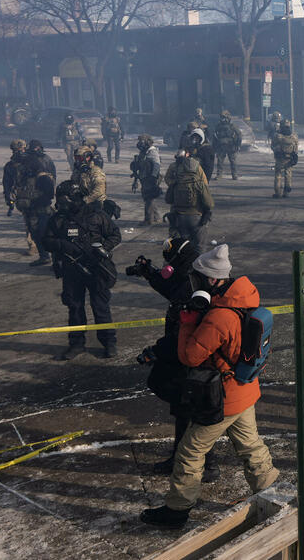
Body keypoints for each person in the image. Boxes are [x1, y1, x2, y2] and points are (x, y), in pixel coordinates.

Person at [140, 244, 280, 530]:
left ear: (213, 280)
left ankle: (177, 510)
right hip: (246, 389)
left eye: (199, 278)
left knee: (190, 451)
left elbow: (189, 356)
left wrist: (189, 322)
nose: (194, 282)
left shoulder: (220, 316)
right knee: (251, 445)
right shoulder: (243, 300)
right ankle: (271, 494)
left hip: (223, 397)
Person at [129, 237, 220, 483]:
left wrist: (156, 350)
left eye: (169, 261)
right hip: (185, 353)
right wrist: (149, 273)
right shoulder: (191, 274)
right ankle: (183, 457)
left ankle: (205, 463)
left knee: (189, 406)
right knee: (184, 406)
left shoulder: (192, 283)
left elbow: (183, 330)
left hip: (191, 356)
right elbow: (171, 289)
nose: (167, 266)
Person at [43, 180, 121, 360]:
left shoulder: (97, 215)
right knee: (74, 308)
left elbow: (115, 235)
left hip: (97, 269)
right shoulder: (58, 219)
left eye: (64, 200)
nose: (60, 204)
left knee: (100, 308)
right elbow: (46, 241)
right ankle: (76, 344)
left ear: (76, 198)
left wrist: (102, 249)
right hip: (72, 270)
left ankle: (109, 343)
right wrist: (62, 245)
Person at [13, 148, 57, 267]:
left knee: (45, 234)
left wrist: (34, 203)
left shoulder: (43, 178)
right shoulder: (23, 178)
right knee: (35, 234)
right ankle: (44, 256)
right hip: (30, 212)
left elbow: (49, 195)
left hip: (42, 212)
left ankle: (56, 259)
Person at [164, 150, 214, 252]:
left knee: (180, 246)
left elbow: (168, 199)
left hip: (179, 216)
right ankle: (197, 266)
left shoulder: (176, 180)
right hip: (197, 217)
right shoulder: (199, 182)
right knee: (200, 247)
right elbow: (209, 203)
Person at [131, 134, 164, 226]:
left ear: (148, 142)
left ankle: (148, 219)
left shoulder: (152, 152)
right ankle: (156, 217)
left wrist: (153, 178)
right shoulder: (144, 152)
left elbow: (156, 165)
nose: (139, 144)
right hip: (144, 177)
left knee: (149, 198)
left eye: (142, 141)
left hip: (150, 178)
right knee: (149, 198)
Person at [71, 145, 107, 210]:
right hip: (81, 202)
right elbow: (73, 183)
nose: (78, 161)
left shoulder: (96, 172)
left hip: (96, 204)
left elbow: (99, 191)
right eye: (76, 158)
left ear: (88, 157)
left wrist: (85, 200)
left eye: (80, 158)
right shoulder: (77, 171)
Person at [3, 139, 28, 224]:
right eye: (15, 151)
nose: (18, 153)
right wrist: (8, 196)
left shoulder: (34, 162)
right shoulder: (10, 165)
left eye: (20, 150)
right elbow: (7, 183)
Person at [271, 120, 298, 198]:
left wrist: (276, 151)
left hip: (280, 158)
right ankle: (286, 193)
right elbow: (296, 148)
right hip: (289, 158)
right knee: (288, 175)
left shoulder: (277, 136)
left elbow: (273, 146)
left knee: (278, 175)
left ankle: (278, 192)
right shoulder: (294, 136)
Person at [212, 111, 242, 180]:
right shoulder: (218, 126)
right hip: (221, 146)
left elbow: (239, 135)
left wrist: (238, 144)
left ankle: (234, 175)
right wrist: (214, 147)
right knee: (220, 161)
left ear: (228, 118)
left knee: (233, 161)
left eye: (224, 117)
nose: (222, 119)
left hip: (231, 146)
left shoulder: (232, 126)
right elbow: (215, 136)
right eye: (222, 117)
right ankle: (219, 175)